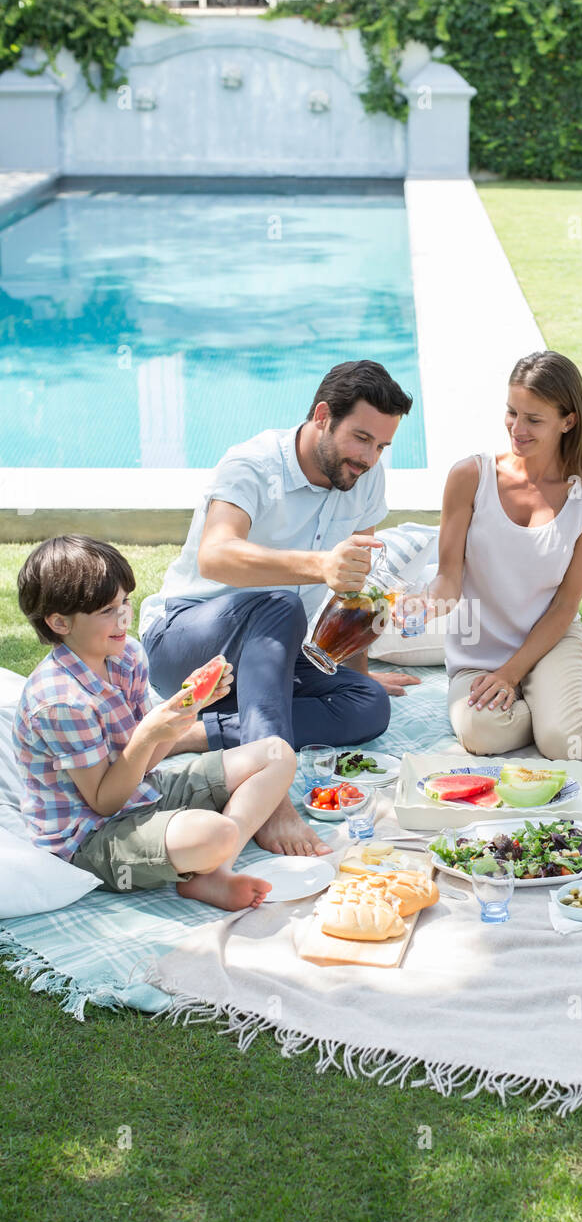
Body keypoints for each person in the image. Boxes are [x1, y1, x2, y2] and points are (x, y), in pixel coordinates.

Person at [139, 360, 419, 859]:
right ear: (321, 416)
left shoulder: (364, 478)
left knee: (367, 705)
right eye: (360, 439)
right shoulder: (252, 464)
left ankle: (198, 732)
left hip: (269, 652)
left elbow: (355, 589)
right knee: (282, 605)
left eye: (381, 446)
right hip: (183, 640)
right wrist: (319, 566)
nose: (370, 458)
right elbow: (216, 553)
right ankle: (268, 801)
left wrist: (357, 671)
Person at [14, 537, 297, 910]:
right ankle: (210, 854)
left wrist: (188, 709)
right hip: (92, 837)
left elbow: (145, 765)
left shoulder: (126, 655)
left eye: (124, 603)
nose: (123, 619)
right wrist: (147, 733)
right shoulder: (61, 703)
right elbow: (103, 802)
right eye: (106, 611)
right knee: (218, 833)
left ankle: (215, 872)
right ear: (60, 622)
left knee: (278, 753)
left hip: (144, 793)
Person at [421, 350, 582, 759]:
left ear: (568, 420)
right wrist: (424, 602)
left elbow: (565, 606)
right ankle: (564, 709)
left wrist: (512, 675)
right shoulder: (470, 477)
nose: (517, 428)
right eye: (512, 413)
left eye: (533, 419)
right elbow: (448, 578)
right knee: (479, 732)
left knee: (564, 744)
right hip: (479, 651)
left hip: (551, 640)